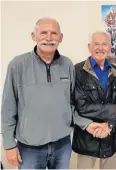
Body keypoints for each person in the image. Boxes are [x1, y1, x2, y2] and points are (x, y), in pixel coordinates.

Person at [1, 17, 103, 169]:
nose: (49, 38)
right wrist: (9, 145)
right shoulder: (18, 65)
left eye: (54, 33)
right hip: (29, 148)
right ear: (33, 36)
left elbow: (71, 105)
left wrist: (86, 124)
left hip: (62, 145)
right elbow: (8, 108)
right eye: (43, 33)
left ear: (61, 38)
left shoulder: (67, 65)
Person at [72, 31, 116, 169]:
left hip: (111, 139)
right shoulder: (77, 71)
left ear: (110, 47)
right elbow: (81, 107)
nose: (100, 48)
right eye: (96, 44)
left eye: (104, 44)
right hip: (86, 140)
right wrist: (115, 109)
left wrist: (110, 125)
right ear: (89, 47)